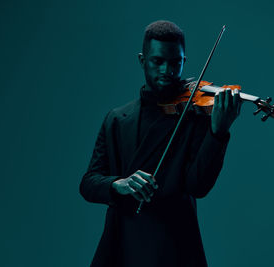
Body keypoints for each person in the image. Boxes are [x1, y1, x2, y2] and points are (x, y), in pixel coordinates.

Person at [79, 20, 241, 267]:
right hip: (122, 243)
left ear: (184, 61)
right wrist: (119, 184)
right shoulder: (117, 119)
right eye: (158, 62)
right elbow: (88, 183)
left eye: (176, 62)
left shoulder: (193, 115)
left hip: (175, 246)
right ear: (143, 60)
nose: (168, 70)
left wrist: (218, 132)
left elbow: (198, 186)